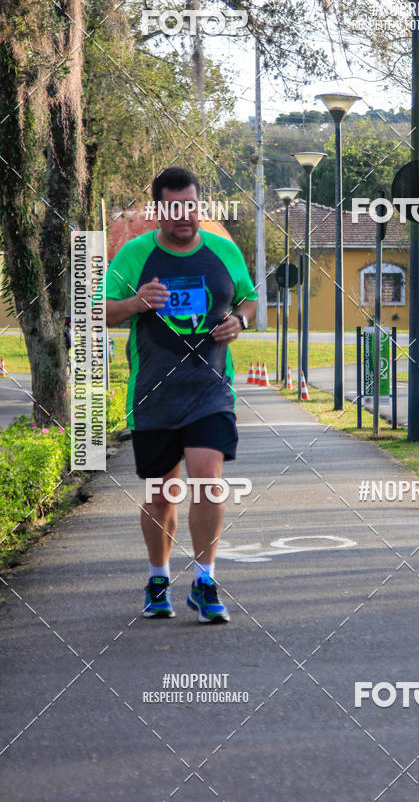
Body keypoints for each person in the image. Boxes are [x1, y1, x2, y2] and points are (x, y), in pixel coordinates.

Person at [104, 167, 257, 623]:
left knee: (208, 481)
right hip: (153, 395)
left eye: (190, 206)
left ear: (199, 205)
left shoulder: (223, 251)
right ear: (158, 211)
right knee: (161, 495)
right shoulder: (134, 256)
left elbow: (249, 298)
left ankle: (206, 581)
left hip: (210, 390)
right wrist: (135, 303)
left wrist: (241, 321)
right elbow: (99, 311)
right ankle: (158, 576)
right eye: (172, 208)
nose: (183, 216)